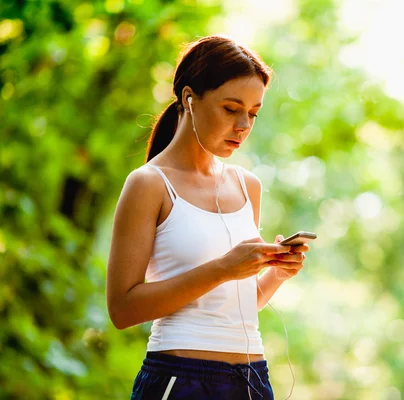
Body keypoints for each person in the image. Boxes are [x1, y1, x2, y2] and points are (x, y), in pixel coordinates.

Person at [106, 35, 310, 400]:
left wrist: (276, 274)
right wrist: (224, 268)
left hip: (252, 380)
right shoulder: (149, 185)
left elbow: (234, 304)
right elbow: (122, 309)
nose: (244, 125)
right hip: (180, 380)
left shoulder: (248, 186)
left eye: (253, 113)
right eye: (231, 109)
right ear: (189, 99)